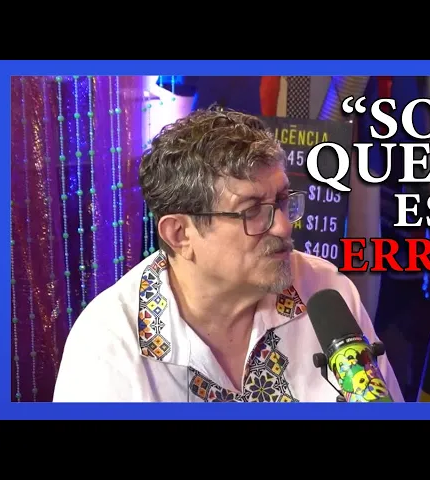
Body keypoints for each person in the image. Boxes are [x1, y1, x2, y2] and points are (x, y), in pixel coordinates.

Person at [53, 106, 404, 403]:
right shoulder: (108, 344)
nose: (284, 226)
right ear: (180, 234)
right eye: (251, 211)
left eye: (282, 201)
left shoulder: (326, 290)